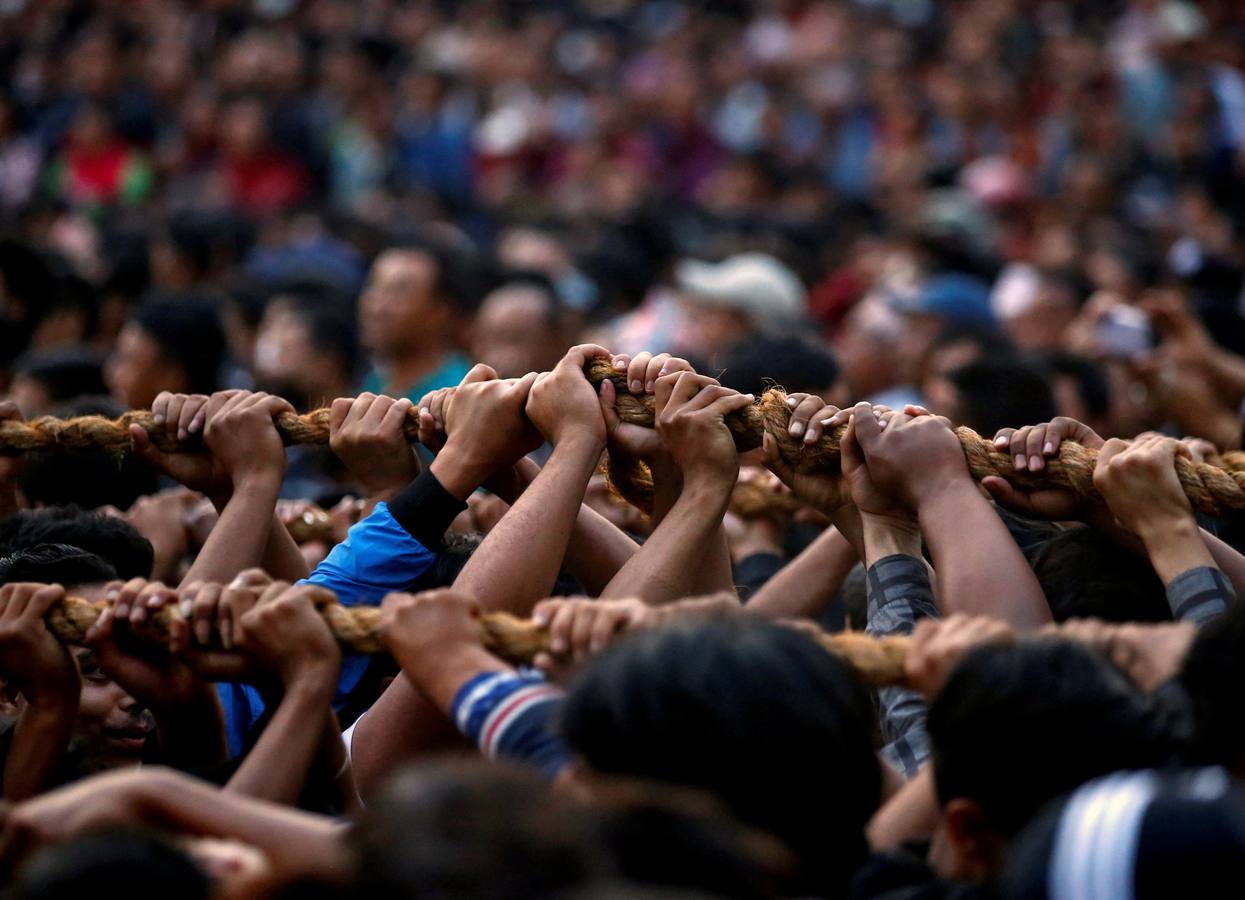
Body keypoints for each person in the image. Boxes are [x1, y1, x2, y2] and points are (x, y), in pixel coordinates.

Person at [357, 242, 476, 403]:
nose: (376, 307)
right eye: (374, 286)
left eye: (398, 292)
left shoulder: (459, 394)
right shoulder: (373, 383)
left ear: (442, 311)